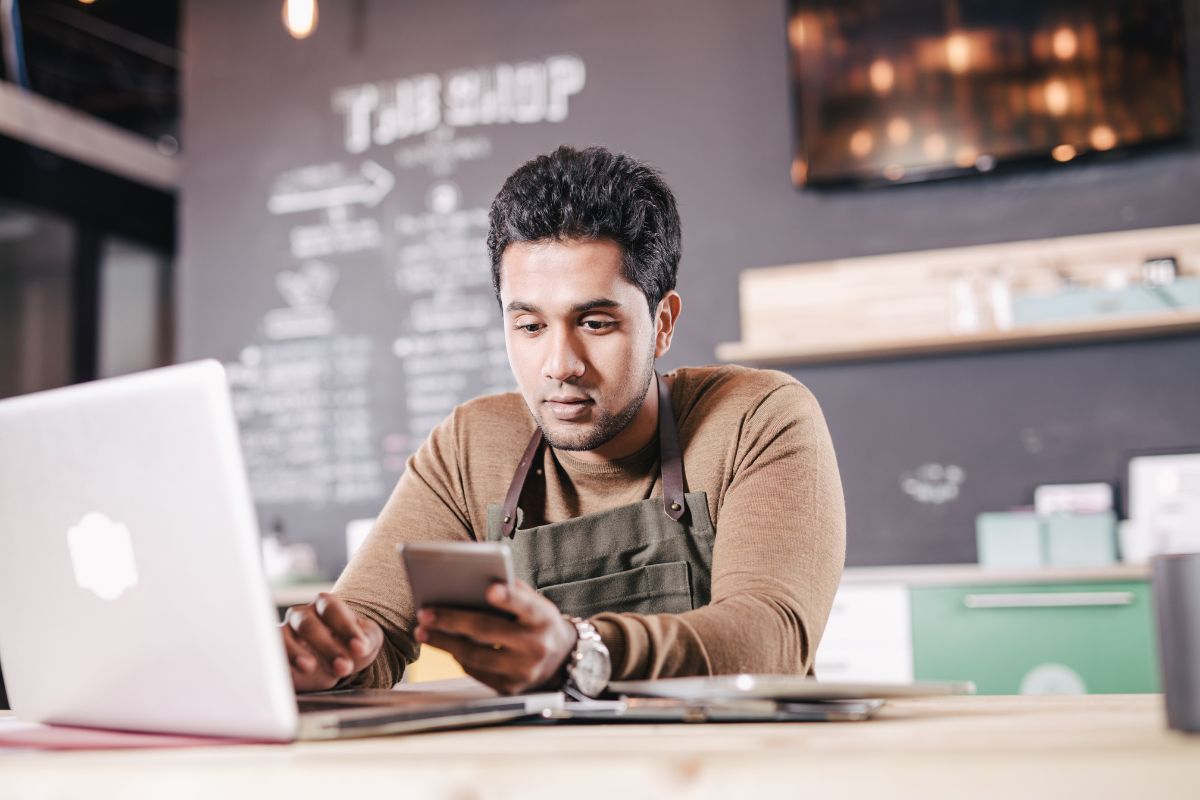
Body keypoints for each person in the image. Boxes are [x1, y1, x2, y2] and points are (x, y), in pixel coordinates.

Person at [281, 145, 846, 696]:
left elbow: (771, 637)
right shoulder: (470, 447)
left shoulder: (757, 418)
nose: (560, 365)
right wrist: (329, 656)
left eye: (596, 323)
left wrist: (580, 651)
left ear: (663, 322)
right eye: (529, 326)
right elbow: (368, 622)